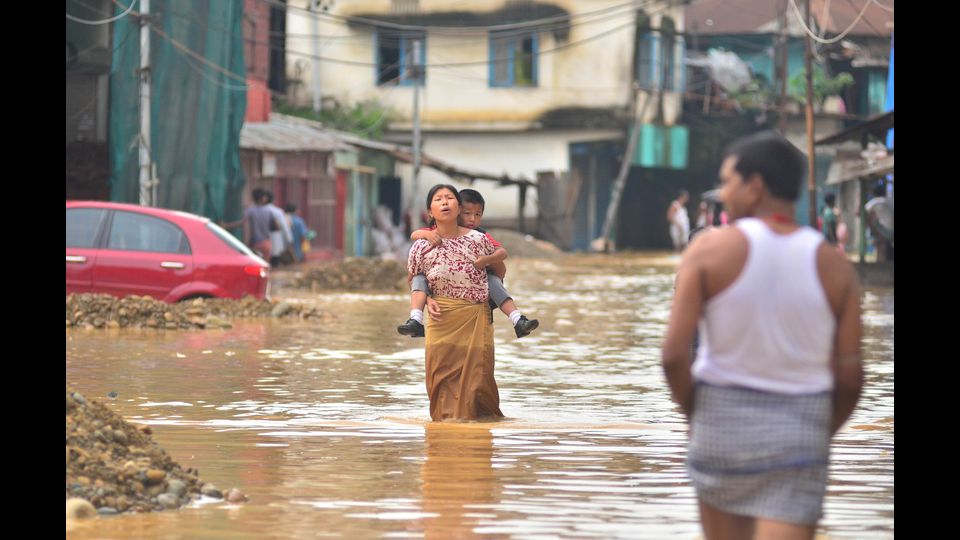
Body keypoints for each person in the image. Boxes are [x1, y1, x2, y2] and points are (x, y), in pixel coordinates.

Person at [661, 131, 863, 539]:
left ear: (754, 187)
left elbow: (673, 357)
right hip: (800, 430)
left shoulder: (707, 251)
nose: (723, 193)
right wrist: (819, 431)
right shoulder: (835, 267)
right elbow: (850, 376)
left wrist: (697, 416)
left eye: (728, 182)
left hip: (721, 424)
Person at [407, 184, 505, 421]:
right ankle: (444, 431)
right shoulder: (421, 244)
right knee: (438, 374)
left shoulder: (478, 239)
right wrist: (427, 300)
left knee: (477, 377)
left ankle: (474, 430)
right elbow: (413, 278)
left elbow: (500, 271)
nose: (444, 202)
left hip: (474, 315)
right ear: (430, 211)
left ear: (458, 207)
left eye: (449, 197)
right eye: (438, 199)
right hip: (441, 316)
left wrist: (487, 262)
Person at [398, 188, 539, 340]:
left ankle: (517, 319)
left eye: (477, 215)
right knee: (419, 278)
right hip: (441, 305)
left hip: (479, 292)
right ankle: (416, 319)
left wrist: (486, 260)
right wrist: (427, 234)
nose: (472, 219)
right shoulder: (432, 235)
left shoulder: (479, 237)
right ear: (457, 211)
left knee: (493, 281)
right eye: (467, 213)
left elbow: (502, 253)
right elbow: (414, 236)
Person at [220, 188, 273, 261]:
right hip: (267, 242)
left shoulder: (250, 211)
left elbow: (242, 223)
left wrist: (226, 225)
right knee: (265, 265)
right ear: (263, 198)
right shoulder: (269, 211)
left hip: (255, 243)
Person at [865, 183, 894, 261]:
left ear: (874, 193)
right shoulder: (890, 201)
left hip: (884, 232)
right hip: (891, 232)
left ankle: (880, 260)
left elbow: (860, 212)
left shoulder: (876, 201)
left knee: (871, 219)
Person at [264, 191, 293, 267]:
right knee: (274, 261)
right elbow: (285, 227)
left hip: (261, 241)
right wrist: (289, 239)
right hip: (275, 239)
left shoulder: (255, 210)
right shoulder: (277, 211)